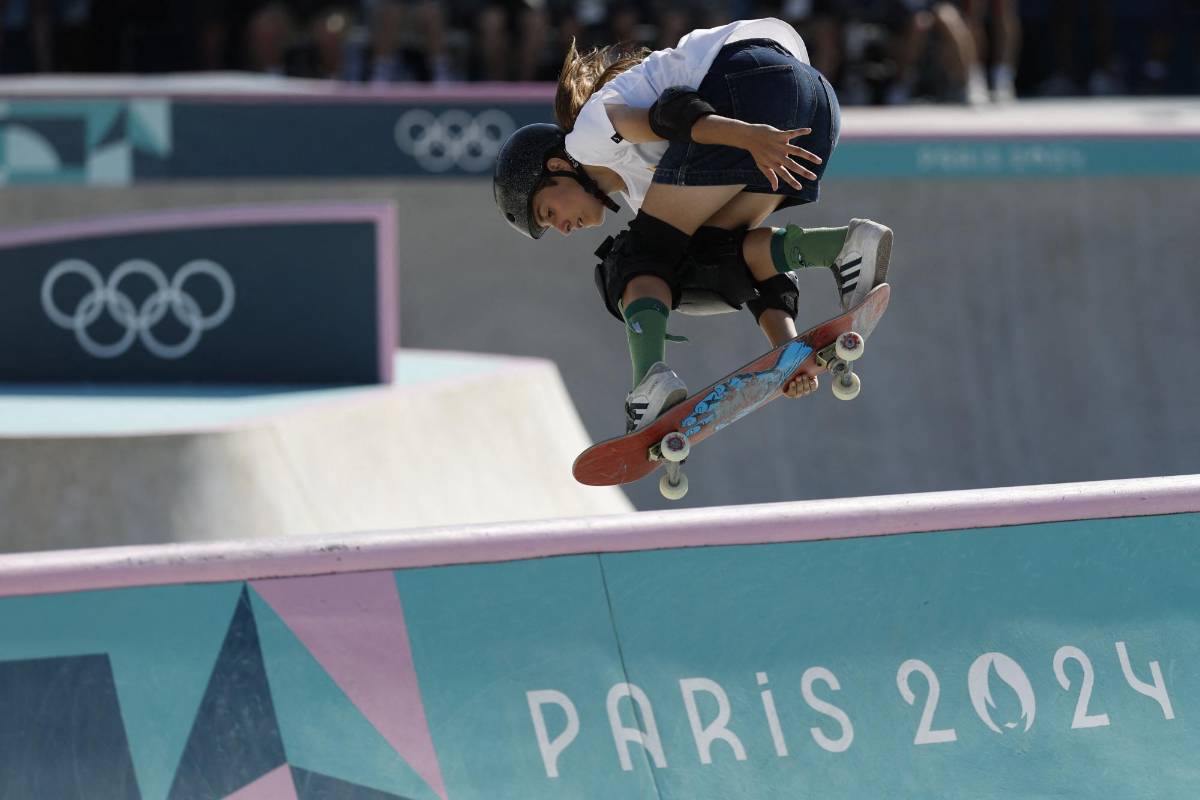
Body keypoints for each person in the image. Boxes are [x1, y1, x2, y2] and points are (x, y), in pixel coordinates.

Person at [493, 18, 893, 434]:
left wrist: (746, 136)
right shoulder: (649, 192)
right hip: (815, 105)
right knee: (706, 256)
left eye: (547, 212)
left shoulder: (586, 136)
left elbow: (672, 113)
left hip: (752, 85)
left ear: (558, 167)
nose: (562, 227)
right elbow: (742, 262)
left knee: (634, 259)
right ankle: (844, 247)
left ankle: (649, 382)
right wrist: (788, 352)